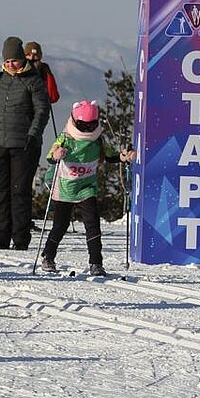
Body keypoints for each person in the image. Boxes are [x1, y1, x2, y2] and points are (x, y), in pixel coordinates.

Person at [38, 100, 134, 276]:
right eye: (83, 126)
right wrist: (57, 154)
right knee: (60, 225)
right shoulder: (66, 138)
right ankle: (48, 256)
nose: (88, 129)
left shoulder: (98, 140)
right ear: (75, 122)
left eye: (91, 125)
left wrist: (123, 157)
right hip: (65, 188)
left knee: (92, 225)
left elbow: (110, 156)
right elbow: (51, 156)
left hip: (86, 188)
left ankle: (96, 263)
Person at [0, 36, 50, 250]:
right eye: (7, 61)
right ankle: (1, 237)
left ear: (22, 59)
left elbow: (42, 110)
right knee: (1, 191)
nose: (11, 64)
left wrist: (33, 134)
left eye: (14, 60)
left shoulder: (33, 80)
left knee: (19, 192)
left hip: (25, 144)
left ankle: (20, 238)